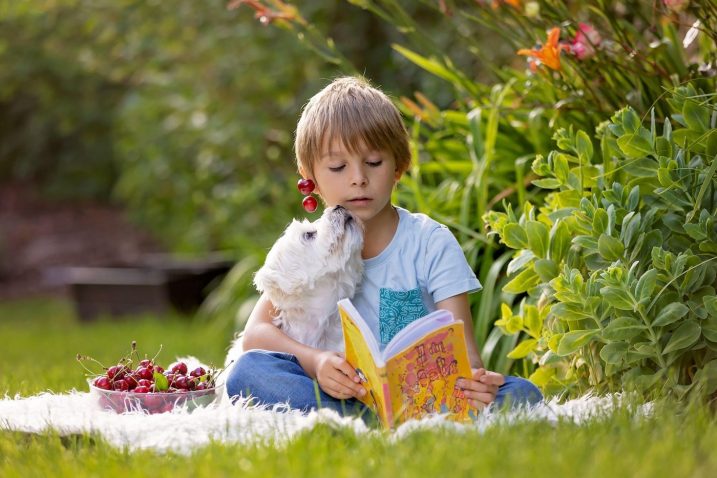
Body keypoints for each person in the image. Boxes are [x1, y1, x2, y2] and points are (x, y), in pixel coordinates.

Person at [226, 76, 542, 416]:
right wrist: (316, 363)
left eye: (373, 162)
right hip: (344, 394)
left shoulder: (430, 242)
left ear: (399, 166)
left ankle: (373, 423)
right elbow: (256, 334)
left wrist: (476, 380)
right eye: (337, 166)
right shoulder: (314, 249)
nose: (358, 178)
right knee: (248, 373)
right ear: (310, 177)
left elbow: (463, 351)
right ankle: (362, 420)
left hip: (427, 397)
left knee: (522, 393)